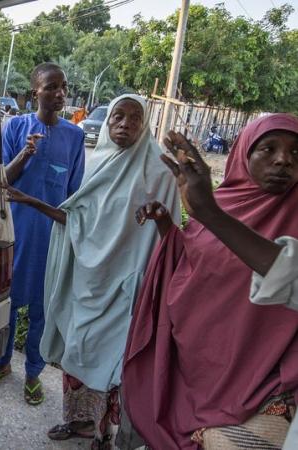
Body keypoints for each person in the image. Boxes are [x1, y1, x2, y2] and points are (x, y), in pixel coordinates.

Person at [4, 94, 179, 446]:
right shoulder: (95, 163)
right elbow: (75, 218)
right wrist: (31, 201)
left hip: (127, 288)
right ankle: (79, 421)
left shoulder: (159, 170)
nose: (124, 124)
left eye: (134, 118)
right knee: (78, 351)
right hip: (86, 281)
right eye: (117, 116)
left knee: (115, 362)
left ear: (144, 125)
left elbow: (170, 235)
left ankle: (105, 433)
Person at [123, 114, 298, 449]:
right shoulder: (222, 202)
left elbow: (287, 274)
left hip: (259, 377)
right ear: (244, 154)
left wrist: (209, 213)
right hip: (197, 364)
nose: (283, 160)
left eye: (295, 153)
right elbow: (195, 262)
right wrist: (168, 231)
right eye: (269, 148)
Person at [0, 62, 85, 406]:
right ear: (35, 91)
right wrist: (26, 152)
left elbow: (73, 194)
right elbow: (3, 181)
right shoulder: (15, 127)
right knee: (7, 305)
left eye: (63, 87)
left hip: (51, 239)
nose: (60, 94)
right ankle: (3, 362)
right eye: (52, 87)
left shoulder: (75, 135)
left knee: (41, 310)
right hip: (16, 233)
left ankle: (34, 373)